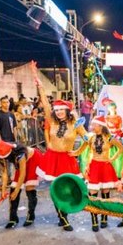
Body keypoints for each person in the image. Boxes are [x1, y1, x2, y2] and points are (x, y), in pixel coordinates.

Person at [35, 74, 87, 231]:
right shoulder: (52, 121)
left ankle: (64, 213)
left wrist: (78, 151)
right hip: (53, 159)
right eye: (56, 110)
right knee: (56, 188)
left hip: (67, 159)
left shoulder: (75, 123)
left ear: (67, 110)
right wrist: (40, 87)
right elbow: (45, 105)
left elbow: (87, 138)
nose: (58, 112)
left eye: (61, 110)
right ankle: (63, 218)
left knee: (67, 189)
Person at [78, 116, 123, 232]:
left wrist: (112, 159)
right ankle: (94, 220)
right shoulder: (91, 138)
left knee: (105, 194)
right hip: (94, 167)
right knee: (92, 194)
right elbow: (86, 149)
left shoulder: (109, 138)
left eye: (94, 125)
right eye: (92, 124)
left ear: (101, 126)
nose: (91, 126)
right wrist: (85, 162)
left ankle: (104, 218)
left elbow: (121, 148)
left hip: (105, 168)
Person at [0, 141, 41, 228]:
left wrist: (16, 191)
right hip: (19, 163)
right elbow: (4, 173)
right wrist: (3, 190)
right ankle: (13, 218)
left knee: (29, 187)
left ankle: (31, 215)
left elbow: (22, 174)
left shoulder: (20, 154)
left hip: (33, 159)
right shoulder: (1, 151)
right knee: (13, 187)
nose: (4, 159)